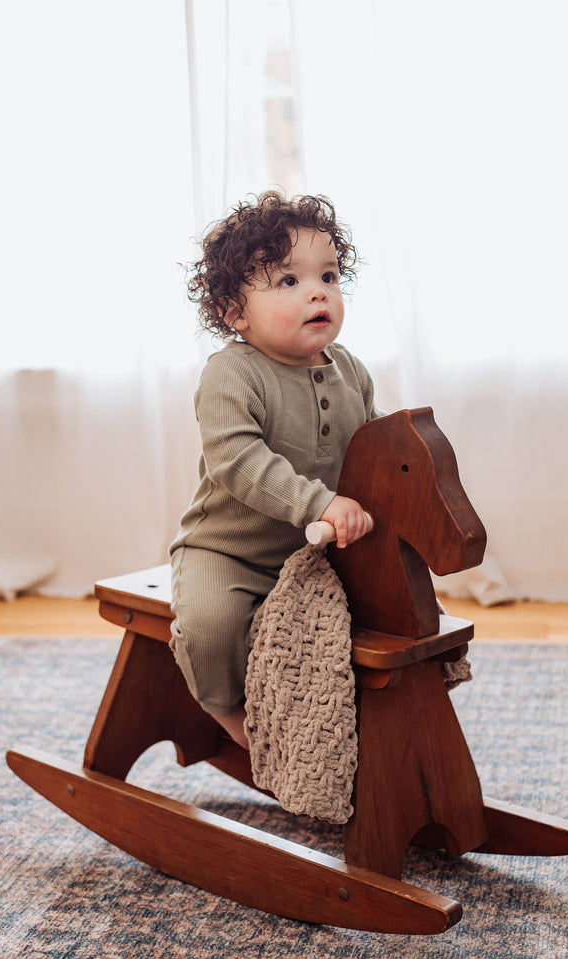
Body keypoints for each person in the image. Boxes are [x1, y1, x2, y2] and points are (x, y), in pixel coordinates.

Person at [169, 191, 380, 749]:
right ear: (234, 312)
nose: (318, 291)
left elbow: (375, 450)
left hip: (315, 553)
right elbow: (239, 462)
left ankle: (364, 718)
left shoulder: (351, 371)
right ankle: (228, 711)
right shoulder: (231, 374)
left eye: (328, 276)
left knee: (392, 608)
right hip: (230, 551)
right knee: (211, 626)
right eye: (289, 280)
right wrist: (320, 503)